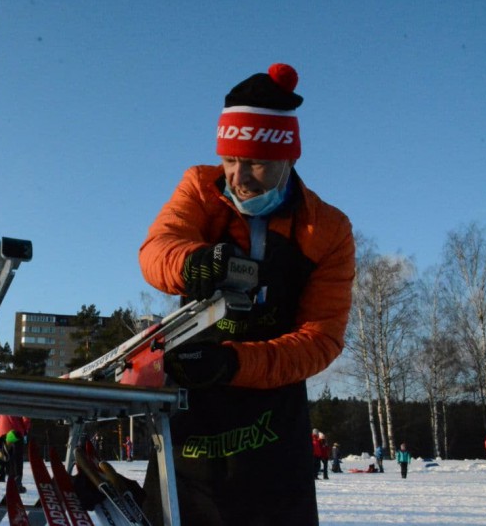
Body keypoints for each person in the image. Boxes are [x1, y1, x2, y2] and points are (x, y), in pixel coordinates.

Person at [138, 63, 355, 525]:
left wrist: (234, 362)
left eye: (256, 161)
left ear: (290, 158)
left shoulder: (327, 230)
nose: (239, 176)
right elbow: (157, 248)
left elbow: (321, 338)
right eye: (231, 160)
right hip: (191, 412)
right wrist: (191, 263)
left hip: (274, 431)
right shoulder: (201, 185)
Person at [0, 414, 31, 493]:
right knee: (16, 459)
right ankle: (17, 483)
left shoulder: (1, 401)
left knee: (0, 457)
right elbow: (26, 415)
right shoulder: (22, 401)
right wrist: (25, 429)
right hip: (17, 431)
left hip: (2, 429)